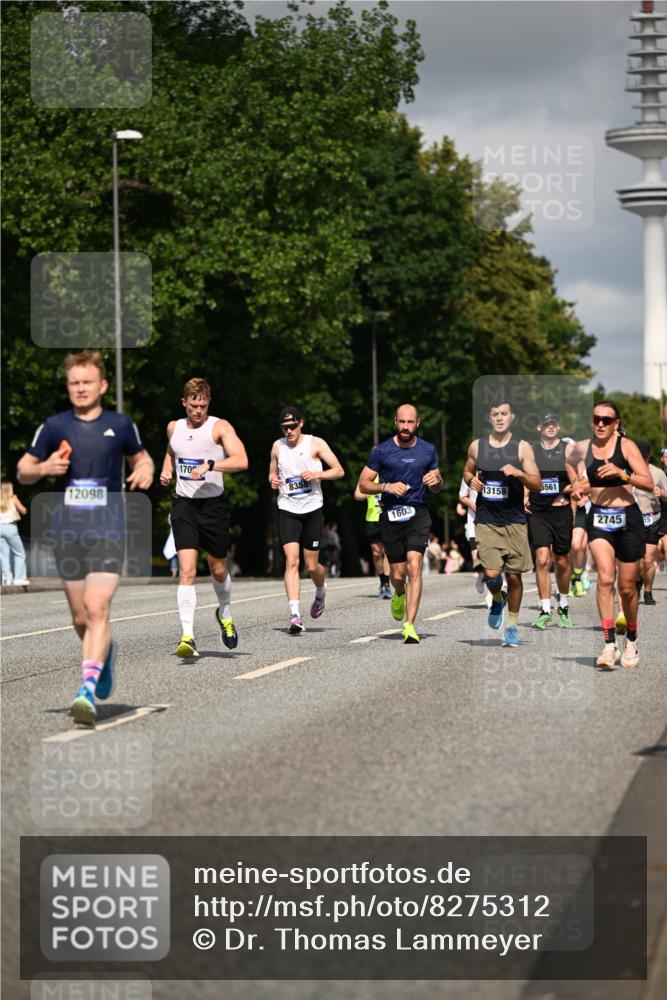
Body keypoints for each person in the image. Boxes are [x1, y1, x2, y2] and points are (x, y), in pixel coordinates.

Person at [17, 350, 154, 724]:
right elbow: (23, 469)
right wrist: (45, 466)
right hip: (68, 532)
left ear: (103, 385)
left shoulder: (121, 424)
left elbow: (142, 457)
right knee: (80, 616)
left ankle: (86, 690)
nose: (80, 388)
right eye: (74, 383)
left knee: (97, 608)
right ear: (68, 386)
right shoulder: (54, 426)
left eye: (87, 382)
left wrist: (144, 470)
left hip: (109, 529)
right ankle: (104, 653)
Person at [160, 377, 248, 658]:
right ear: (183, 402)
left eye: (203, 405)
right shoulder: (173, 427)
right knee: (186, 570)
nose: (198, 410)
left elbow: (241, 460)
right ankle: (187, 635)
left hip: (213, 507)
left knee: (217, 568)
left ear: (209, 402)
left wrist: (211, 465)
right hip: (184, 506)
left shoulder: (219, 427)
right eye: (193, 405)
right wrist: (166, 471)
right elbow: (172, 451)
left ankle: (225, 612)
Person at [568, 401, 652, 669]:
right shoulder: (583, 447)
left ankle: (631, 639)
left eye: (606, 419)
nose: (600, 424)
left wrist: (622, 474)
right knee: (605, 579)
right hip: (600, 520)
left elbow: (648, 482)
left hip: (628, 518)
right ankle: (608, 645)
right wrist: (578, 486)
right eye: (596, 419)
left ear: (616, 423)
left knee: (627, 588)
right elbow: (569, 461)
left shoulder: (626, 447)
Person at [358, 403, 443, 644]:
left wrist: (435, 480)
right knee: (398, 572)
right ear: (395, 423)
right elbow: (363, 484)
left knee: (414, 566)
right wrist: (386, 486)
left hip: (418, 513)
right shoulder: (381, 451)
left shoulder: (428, 450)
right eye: (402, 422)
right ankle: (399, 592)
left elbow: (438, 484)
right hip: (391, 515)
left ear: (418, 423)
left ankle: (410, 624)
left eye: (410, 422)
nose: (406, 427)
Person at [463, 397, 541, 648]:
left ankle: (513, 626)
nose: (499, 418)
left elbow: (537, 483)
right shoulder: (477, 447)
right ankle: (498, 598)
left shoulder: (522, 448)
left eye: (503, 414)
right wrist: (470, 479)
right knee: (492, 574)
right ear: (490, 418)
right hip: (486, 520)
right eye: (495, 414)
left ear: (512, 417)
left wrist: (518, 473)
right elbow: (467, 470)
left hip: (515, 520)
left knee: (515, 577)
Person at [269, 405, 344, 634]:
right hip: (288, 509)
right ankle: (295, 615)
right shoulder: (277, 447)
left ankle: (320, 591)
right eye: (285, 427)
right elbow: (271, 472)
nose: (289, 431)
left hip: (312, 510)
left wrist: (317, 474)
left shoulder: (315, 443)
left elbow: (339, 470)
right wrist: (272, 480)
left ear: (301, 423)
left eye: (292, 426)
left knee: (311, 566)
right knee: (292, 561)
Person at [526, 414, 576, 630]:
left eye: (554, 423)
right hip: (539, 512)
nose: (551, 427)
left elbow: (578, 482)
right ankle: (545, 610)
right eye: (546, 424)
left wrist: (563, 489)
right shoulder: (532, 450)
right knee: (542, 558)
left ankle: (563, 604)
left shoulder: (567, 449)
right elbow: (527, 477)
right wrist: (524, 497)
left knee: (562, 561)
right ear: (539, 427)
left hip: (561, 510)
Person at [633, 440, 667, 606]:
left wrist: (663, 493)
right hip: (634, 520)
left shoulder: (658, 473)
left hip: (652, 518)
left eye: (644, 456)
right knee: (637, 561)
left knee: (648, 560)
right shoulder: (629, 473)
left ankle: (648, 591)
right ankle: (638, 581)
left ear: (649, 456)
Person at [354, 475, 392, 598]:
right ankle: (382, 580)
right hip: (372, 518)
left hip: (388, 517)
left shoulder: (390, 471)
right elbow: (357, 494)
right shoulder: (369, 475)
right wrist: (366, 494)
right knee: (376, 552)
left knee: (387, 551)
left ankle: (386, 583)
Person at [458, 478, 485, 596]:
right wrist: (472, 504)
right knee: (476, 555)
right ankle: (480, 575)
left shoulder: (497, 467)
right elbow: (462, 496)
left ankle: (492, 594)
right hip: (474, 518)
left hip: (494, 517)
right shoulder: (469, 474)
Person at [0, 482, 29, 587]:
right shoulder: (13, 498)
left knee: (3, 555)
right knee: (19, 553)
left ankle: (6, 579)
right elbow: (23, 511)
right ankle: (19, 578)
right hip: (10, 527)